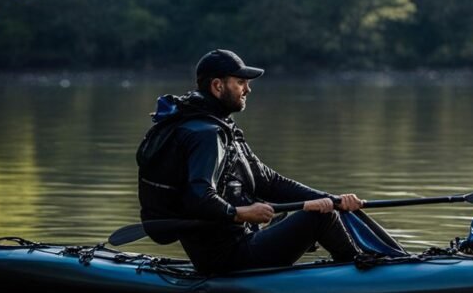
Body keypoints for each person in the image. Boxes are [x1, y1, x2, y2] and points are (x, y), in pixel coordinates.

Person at [136, 49, 363, 274]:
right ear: (218, 86)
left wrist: (332, 199)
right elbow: (199, 197)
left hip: (243, 243)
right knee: (321, 218)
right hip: (228, 259)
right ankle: (362, 274)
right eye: (241, 82)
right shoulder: (205, 135)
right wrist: (241, 213)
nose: (248, 89)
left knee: (326, 208)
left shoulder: (219, 126)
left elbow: (270, 182)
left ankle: (359, 265)